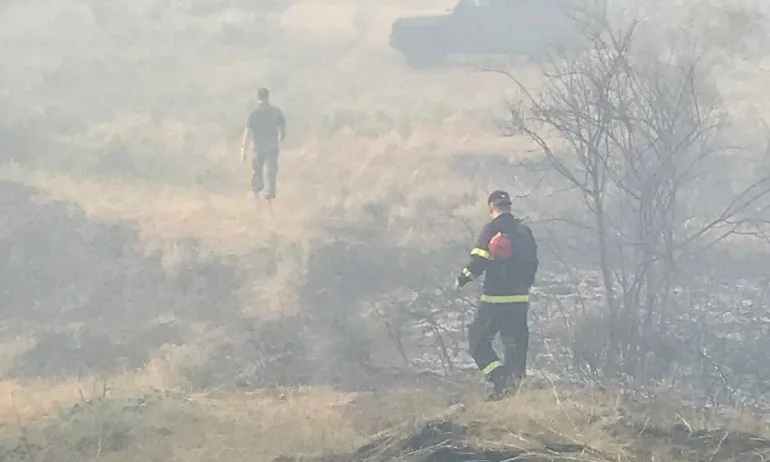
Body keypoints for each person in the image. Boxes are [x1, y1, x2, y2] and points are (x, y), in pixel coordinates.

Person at [455, 190, 539, 400]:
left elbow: (478, 262)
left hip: (495, 300)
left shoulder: (491, 229)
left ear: (492, 207)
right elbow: (533, 263)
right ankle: (514, 390)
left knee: (477, 340)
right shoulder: (525, 232)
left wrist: (462, 279)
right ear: (509, 206)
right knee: (515, 345)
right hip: (520, 301)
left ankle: (500, 379)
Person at [241, 88, 286, 200]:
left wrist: (244, 150)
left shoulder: (254, 114)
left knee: (258, 170)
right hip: (271, 147)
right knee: (270, 171)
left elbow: (248, 132)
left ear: (258, 98)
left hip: (258, 148)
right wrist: (281, 137)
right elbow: (282, 128)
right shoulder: (276, 112)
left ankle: (256, 193)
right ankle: (269, 194)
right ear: (268, 97)